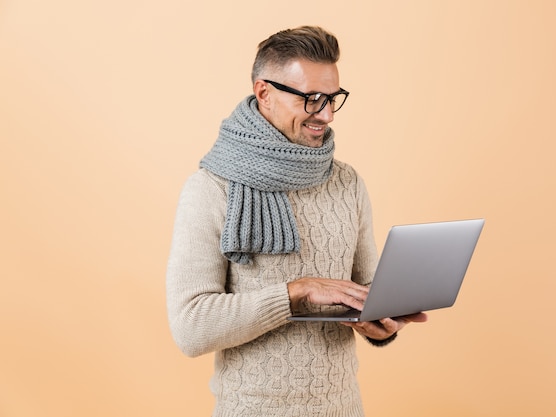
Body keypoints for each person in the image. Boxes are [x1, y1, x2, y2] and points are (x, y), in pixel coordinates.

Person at [166, 25, 428, 417]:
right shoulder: (211, 188)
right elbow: (190, 327)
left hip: (344, 408)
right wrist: (295, 293)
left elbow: (367, 288)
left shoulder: (346, 182)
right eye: (311, 99)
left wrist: (381, 324)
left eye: (333, 98)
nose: (324, 114)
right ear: (264, 93)